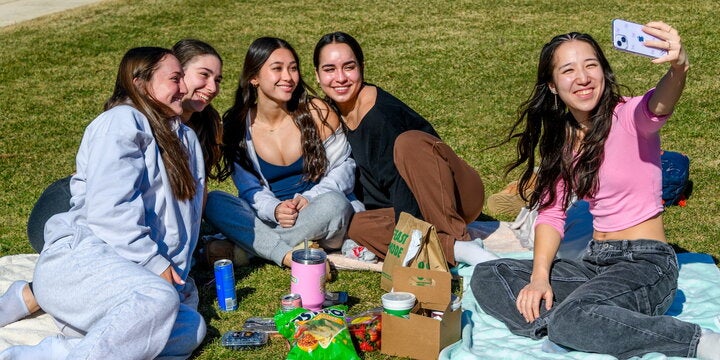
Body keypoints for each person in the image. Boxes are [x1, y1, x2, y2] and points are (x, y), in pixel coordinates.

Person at [470, 22, 720, 359]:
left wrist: (679, 67)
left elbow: (659, 104)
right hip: (595, 263)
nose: (583, 77)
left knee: (573, 317)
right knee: (490, 273)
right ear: (553, 86)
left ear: (604, 71)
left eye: (591, 65)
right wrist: (539, 278)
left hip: (645, 264)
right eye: (568, 70)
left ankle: (696, 341)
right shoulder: (564, 141)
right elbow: (552, 213)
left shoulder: (629, 116)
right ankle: (573, 326)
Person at [2, 39, 224, 331]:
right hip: (68, 207)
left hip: (128, 229)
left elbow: (189, 209)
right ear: (143, 83)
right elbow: (109, 207)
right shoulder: (124, 120)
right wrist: (155, 264)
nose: (211, 87)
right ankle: (35, 294)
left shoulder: (194, 133)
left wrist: (178, 266)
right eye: (196, 75)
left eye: (218, 79)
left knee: (185, 328)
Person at [312, 31, 495, 267]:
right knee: (356, 226)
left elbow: (403, 186)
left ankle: (457, 240)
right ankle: (456, 249)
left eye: (349, 67)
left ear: (362, 68)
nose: (340, 78)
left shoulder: (381, 117)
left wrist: (406, 233)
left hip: (453, 196)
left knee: (409, 143)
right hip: (402, 207)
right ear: (317, 75)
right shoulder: (331, 113)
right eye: (329, 69)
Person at [203, 37, 356, 268]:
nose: (288, 77)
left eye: (293, 68)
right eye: (277, 69)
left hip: (318, 212)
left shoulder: (316, 112)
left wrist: (309, 198)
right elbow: (250, 190)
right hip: (270, 219)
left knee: (335, 203)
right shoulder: (237, 126)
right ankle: (287, 249)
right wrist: (275, 210)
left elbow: (345, 167)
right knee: (214, 201)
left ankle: (252, 250)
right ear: (254, 77)